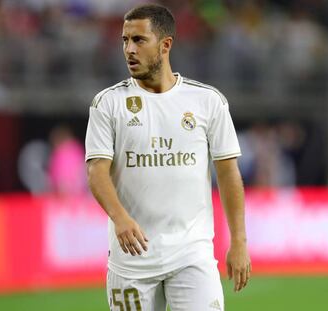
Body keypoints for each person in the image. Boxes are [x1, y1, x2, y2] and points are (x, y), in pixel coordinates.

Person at [85, 4, 250, 311]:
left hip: (191, 255)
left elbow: (228, 172)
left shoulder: (207, 101)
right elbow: (97, 172)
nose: (128, 49)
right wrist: (120, 218)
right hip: (132, 261)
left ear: (165, 45)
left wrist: (239, 241)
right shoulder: (108, 104)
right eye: (125, 40)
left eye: (138, 40)